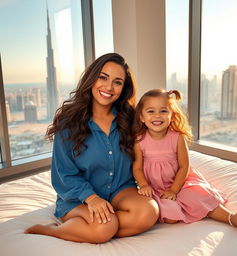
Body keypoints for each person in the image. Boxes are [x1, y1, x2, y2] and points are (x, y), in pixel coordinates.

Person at [24, 53, 159, 243]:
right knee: (104, 226)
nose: (109, 87)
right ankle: (55, 231)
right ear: (92, 78)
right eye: (103, 77)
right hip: (80, 198)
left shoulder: (130, 118)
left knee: (149, 211)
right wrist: (92, 198)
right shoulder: (68, 122)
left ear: (124, 88)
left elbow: (154, 141)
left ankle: (94, 228)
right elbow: (64, 173)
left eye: (117, 82)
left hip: (120, 189)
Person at [132, 88, 237, 230]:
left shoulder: (177, 137)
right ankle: (180, 208)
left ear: (172, 115)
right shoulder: (139, 140)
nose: (157, 116)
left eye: (163, 111)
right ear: (141, 117)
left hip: (180, 182)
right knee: (170, 218)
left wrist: (174, 190)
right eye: (151, 111)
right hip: (156, 188)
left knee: (198, 196)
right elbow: (137, 167)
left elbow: (184, 166)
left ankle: (231, 218)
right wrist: (144, 185)